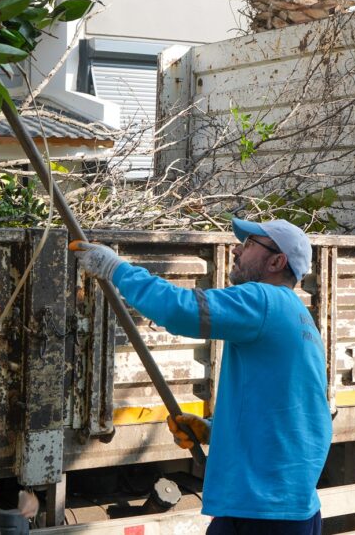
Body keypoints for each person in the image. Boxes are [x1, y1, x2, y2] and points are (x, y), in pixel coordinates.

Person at [71, 218, 331, 535]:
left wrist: (114, 268)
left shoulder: (265, 300)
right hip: (285, 505)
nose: (236, 249)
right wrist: (215, 431)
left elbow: (181, 311)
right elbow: (285, 412)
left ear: (277, 261)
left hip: (264, 510)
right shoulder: (298, 315)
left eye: (249, 244)